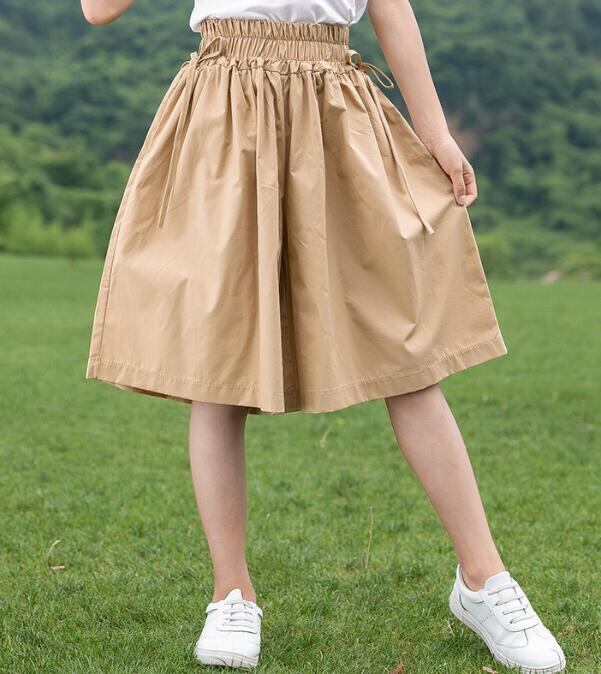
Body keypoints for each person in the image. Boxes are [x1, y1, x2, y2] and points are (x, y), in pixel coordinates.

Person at [81, 0, 566, 671]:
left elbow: (391, 10)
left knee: (405, 351)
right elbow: (98, 10)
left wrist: (437, 133)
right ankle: (231, 594)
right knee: (216, 364)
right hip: (224, 108)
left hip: (336, 110)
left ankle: (483, 581)